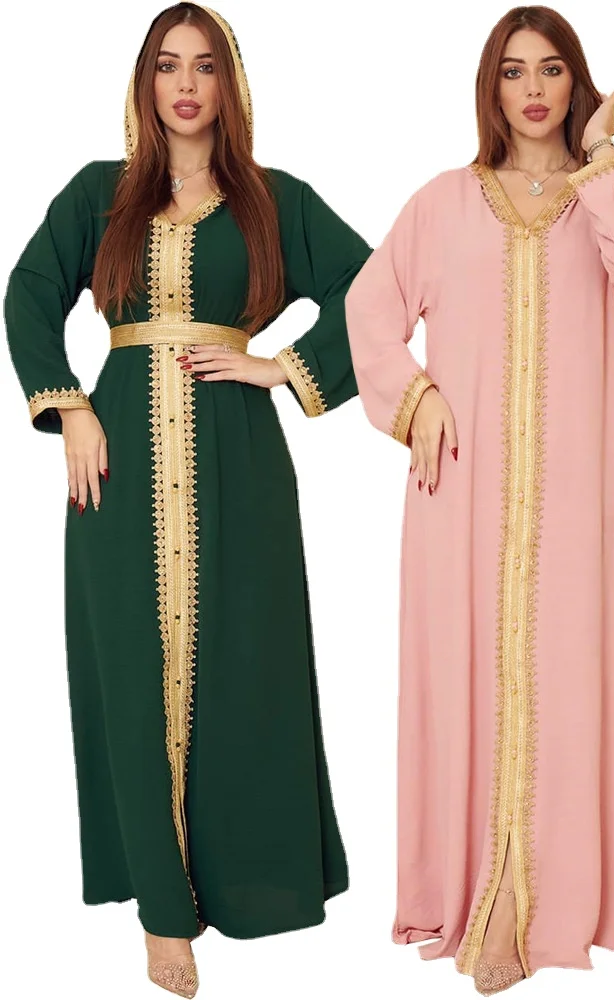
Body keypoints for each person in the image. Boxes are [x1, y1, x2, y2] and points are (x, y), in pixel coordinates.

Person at [4, 4, 370, 996]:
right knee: (129, 669)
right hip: (116, 466)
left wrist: (283, 367)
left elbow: (374, 287)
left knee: (244, 663)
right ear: (146, 81)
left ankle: (240, 882)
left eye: (205, 66)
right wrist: (69, 406)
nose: (186, 85)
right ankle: (163, 914)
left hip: (240, 462)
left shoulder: (274, 201)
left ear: (228, 83)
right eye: (168, 66)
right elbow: (28, 290)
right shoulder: (100, 193)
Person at [345, 5, 614, 994]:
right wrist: (414, 398)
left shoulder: (602, 204)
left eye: (551, 70)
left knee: (568, 675)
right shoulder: (445, 202)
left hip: (575, 499)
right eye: (512, 71)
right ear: (489, 89)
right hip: (462, 494)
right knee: (468, 673)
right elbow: (369, 309)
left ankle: (545, 904)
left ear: (576, 84)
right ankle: (483, 895)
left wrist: (601, 152)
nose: (532, 89)